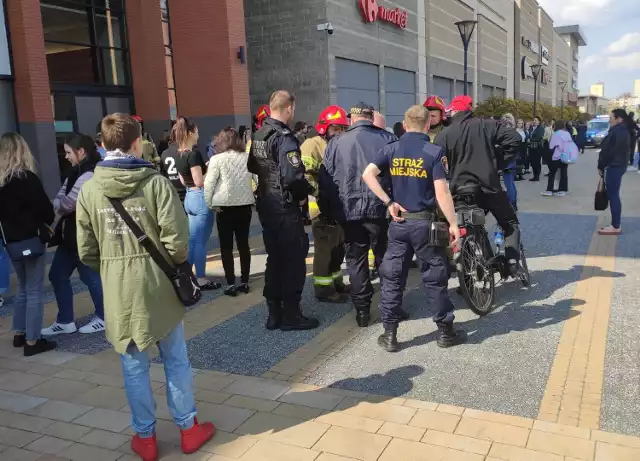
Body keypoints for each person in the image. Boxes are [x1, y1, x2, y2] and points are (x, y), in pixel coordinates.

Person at [76, 113, 215, 460]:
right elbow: (178, 241)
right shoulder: (154, 184)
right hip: (161, 285)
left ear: (102, 145)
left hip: (120, 291)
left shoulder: (89, 189)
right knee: (175, 358)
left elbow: (86, 251)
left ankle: (146, 437)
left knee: (134, 365)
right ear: (137, 143)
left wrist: (112, 267)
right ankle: (187, 428)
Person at [362, 105, 464, 351]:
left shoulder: (391, 148)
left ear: (405, 125)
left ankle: (390, 334)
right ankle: (444, 332)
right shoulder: (434, 151)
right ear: (428, 124)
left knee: (393, 277)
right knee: (434, 277)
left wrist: (388, 202)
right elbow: (441, 192)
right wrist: (453, 224)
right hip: (425, 224)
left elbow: (367, 174)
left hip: (399, 223)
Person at [319, 102, 397, 327]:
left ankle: (362, 311)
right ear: (371, 118)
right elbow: (397, 175)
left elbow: (326, 181)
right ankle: (391, 307)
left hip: (348, 211)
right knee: (385, 257)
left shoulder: (335, 143)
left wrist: (328, 211)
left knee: (356, 260)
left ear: (351, 119)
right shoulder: (388, 139)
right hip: (381, 208)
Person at [247, 90, 319, 331]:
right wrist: (305, 196)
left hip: (266, 205)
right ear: (289, 108)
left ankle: (274, 314)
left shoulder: (259, 134)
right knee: (293, 260)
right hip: (285, 207)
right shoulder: (285, 137)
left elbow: (253, 167)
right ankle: (291, 315)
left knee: (275, 259)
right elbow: (293, 177)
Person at [434, 95, 522, 273]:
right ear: (470, 109)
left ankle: (467, 279)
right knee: (509, 222)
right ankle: (512, 261)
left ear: (454, 111)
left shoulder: (443, 134)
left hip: (459, 190)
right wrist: (498, 162)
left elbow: (435, 160)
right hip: (488, 186)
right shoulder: (486, 124)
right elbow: (514, 139)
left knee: (465, 227)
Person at [42, 134, 105, 337]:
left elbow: (66, 203)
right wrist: (61, 203)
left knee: (91, 278)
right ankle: (65, 321)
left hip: (84, 234)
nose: (66, 156)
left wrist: (60, 203)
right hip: (71, 236)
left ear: (81, 152)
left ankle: (105, 317)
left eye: (69, 152)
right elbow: (62, 200)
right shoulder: (74, 172)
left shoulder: (90, 173)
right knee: (57, 275)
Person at [0, 133, 56, 356]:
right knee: (34, 290)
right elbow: (46, 211)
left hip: (11, 243)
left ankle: (19, 333)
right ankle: (33, 341)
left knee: (23, 287)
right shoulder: (27, 179)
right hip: (32, 240)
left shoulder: (1, 183)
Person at [301, 105, 350, 303]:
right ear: (324, 127)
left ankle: (337, 282)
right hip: (320, 208)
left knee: (338, 248)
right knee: (324, 250)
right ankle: (323, 289)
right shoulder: (312, 145)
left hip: (339, 206)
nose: (339, 133)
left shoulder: (340, 145)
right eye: (335, 129)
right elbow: (304, 176)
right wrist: (321, 193)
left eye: (341, 129)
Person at [204, 128, 254, 297]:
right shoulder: (247, 158)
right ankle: (245, 281)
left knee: (226, 247)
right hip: (245, 206)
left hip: (224, 207)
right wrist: (251, 194)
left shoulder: (216, 159)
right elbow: (257, 180)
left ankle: (231, 283)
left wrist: (209, 203)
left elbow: (209, 183)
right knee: (243, 245)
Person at [174, 117, 220, 290]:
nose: (199, 133)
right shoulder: (194, 154)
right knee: (200, 241)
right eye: (197, 130)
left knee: (193, 240)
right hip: (200, 197)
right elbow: (199, 181)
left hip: (189, 197)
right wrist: (210, 170)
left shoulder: (179, 153)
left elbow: (183, 180)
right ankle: (200, 278)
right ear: (191, 133)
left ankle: (187, 275)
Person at [598, 109, 630, 235]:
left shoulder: (620, 131)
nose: (609, 119)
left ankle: (615, 226)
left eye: (611, 117)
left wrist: (602, 165)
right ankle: (615, 224)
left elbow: (610, 151)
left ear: (619, 119)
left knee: (613, 196)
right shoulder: (619, 130)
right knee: (613, 195)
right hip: (615, 165)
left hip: (615, 166)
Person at [543, 120, 575, 197]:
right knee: (564, 173)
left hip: (556, 156)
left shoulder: (556, 134)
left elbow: (552, 147)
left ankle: (549, 190)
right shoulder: (567, 134)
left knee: (552, 173)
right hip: (565, 156)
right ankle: (563, 189)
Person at [500, 113, 518, 210]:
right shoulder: (515, 133)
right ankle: (513, 202)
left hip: (507, 162)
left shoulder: (505, 134)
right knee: (511, 183)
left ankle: (512, 203)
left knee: (509, 183)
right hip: (512, 161)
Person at [160, 136, 187, 203]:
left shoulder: (164, 153)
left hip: (171, 189)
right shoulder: (184, 152)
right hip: (184, 189)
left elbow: (162, 171)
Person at [528, 116, 545, 181]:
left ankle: (537, 176)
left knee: (537, 162)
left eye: (535, 120)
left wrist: (531, 139)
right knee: (532, 162)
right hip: (531, 147)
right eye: (533, 120)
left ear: (539, 121)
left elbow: (539, 137)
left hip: (538, 147)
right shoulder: (532, 128)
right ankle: (534, 175)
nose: (534, 121)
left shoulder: (541, 128)